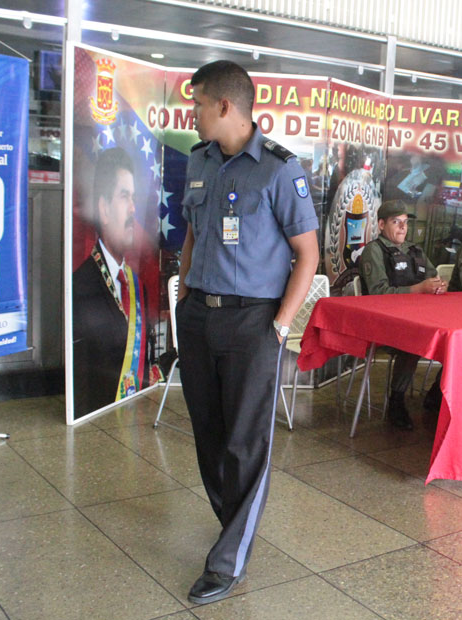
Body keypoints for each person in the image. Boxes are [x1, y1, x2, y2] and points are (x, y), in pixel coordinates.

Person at [175, 60, 319, 605]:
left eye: (197, 103)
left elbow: (309, 254)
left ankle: (228, 560)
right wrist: (185, 293)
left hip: (252, 320)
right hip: (199, 316)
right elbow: (192, 231)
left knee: (244, 441)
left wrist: (280, 325)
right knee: (209, 434)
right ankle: (233, 524)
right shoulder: (200, 162)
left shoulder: (280, 170)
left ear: (224, 107)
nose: (192, 113)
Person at [72, 147, 156, 416]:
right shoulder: (80, 286)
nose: (133, 208)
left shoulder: (136, 285)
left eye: (134, 198)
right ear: (104, 210)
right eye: (124, 197)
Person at [359, 200, 447, 430]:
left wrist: (438, 285)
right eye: (396, 222)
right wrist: (419, 289)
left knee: (455, 338)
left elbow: (432, 276)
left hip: (418, 317)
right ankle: (396, 402)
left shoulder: (414, 250)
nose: (402, 228)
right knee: (413, 343)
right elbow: (379, 292)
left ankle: (436, 394)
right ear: (381, 224)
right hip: (383, 322)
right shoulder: (374, 251)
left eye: (405, 223)